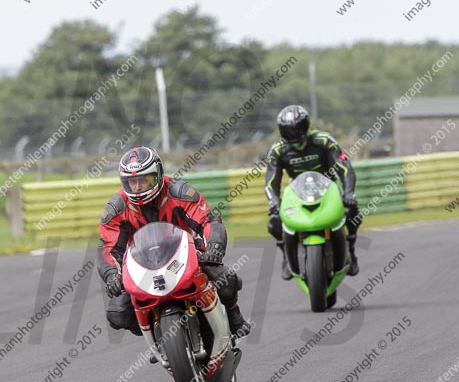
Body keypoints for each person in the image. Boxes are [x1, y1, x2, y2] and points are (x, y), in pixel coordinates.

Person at [98, 146, 251, 341]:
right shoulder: (116, 208)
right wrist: (112, 275)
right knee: (117, 313)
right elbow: (107, 248)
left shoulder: (180, 192)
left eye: (145, 179)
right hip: (142, 262)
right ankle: (157, 334)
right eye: (132, 182)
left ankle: (234, 315)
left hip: (186, 253)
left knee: (225, 278)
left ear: (159, 175)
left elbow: (208, 221)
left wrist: (214, 246)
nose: (138, 187)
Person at [264, 104, 360, 279]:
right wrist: (274, 200)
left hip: (328, 186)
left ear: (305, 126)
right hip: (296, 190)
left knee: (352, 209)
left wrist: (348, 192)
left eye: (296, 129)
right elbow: (271, 181)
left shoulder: (324, 140)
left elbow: (345, 168)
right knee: (275, 222)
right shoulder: (277, 150)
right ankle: (286, 255)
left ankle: (351, 252)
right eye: (288, 131)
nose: (293, 134)